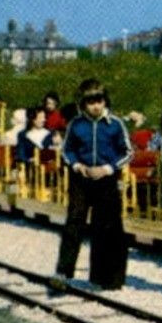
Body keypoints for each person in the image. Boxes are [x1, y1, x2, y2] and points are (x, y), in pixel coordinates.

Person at [56, 79, 132, 290]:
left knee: (106, 227)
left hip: (106, 179)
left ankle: (104, 277)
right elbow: (66, 151)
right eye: (90, 102)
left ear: (105, 100)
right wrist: (77, 165)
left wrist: (109, 168)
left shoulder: (115, 124)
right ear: (83, 104)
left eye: (99, 101)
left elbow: (127, 152)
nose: (96, 106)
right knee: (74, 222)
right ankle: (63, 271)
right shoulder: (76, 125)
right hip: (82, 179)